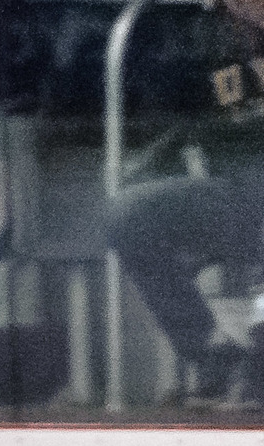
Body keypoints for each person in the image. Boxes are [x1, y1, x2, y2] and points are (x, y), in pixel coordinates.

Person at [105, 0, 264, 406]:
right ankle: (211, 352)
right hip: (237, 193)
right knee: (131, 216)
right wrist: (154, 160)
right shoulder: (202, 38)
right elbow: (191, 118)